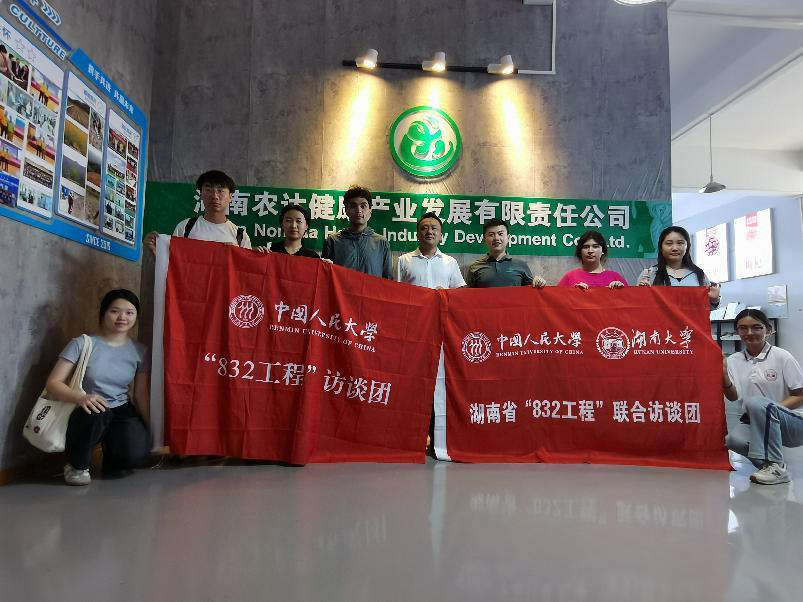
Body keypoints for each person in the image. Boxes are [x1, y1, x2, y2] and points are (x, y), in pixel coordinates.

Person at [45, 289, 151, 486]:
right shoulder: (82, 343)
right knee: (97, 413)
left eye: (129, 312)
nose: (122, 317)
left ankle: (114, 454)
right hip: (86, 408)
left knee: (134, 457)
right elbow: (53, 383)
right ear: (103, 313)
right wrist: (81, 397)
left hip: (120, 408)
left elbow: (141, 394)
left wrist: (150, 426)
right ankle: (76, 465)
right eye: (115, 311)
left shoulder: (139, 351)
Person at [723, 309, 803, 485]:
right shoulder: (733, 360)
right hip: (755, 422)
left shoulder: (782, 356)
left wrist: (769, 412)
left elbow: (800, 395)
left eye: (756, 327)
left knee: (756, 403)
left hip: (792, 423)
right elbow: (733, 397)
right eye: (743, 328)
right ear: (737, 331)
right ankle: (774, 467)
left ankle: (775, 466)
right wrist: (724, 375)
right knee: (733, 441)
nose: (749, 333)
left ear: (768, 329)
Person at [145, 170, 252, 254]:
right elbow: (173, 263)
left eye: (220, 191)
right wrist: (156, 251)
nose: (215, 196)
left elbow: (245, 271)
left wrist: (253, 255)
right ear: (200, 194)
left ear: (231, 196)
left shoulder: (240, 236)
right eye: (208, 190)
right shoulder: (185, 227)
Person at [637, 226, 721, 307]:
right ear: (661, 247)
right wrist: (642, 295)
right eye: (669, 243)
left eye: (680, 243)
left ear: (687, 246)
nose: (675, 248)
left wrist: (714, 300)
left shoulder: (699, 275)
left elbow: (706, 310)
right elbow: (638, 308)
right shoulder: (649, 274)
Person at [322, 185, 392, 279]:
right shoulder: (333, 241)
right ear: (346, 210)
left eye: (363, 206)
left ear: (370, 210)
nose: (359, 210)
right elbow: (324, 277)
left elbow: (387, 280)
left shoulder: (381, 242)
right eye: (353, 206)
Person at [466, 219, 546, 288]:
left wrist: (538, 282)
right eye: (491, 235)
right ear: (484, 239)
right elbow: (469, 296)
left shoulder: (521, 265)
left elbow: (531, 292)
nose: (496, 238)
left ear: (508, 238)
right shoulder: (475, 267)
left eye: (500, 234)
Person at [396, 212, 465, 289]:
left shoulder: (451, 262)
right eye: (424, 228)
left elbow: (458, 292)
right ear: (417, 235)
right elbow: (396, 291)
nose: (429, 232)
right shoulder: (403, 260)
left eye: (434, 228)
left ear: (441, 236)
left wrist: (445, 293)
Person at [558, 230, 627, 289]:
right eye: (586, 247)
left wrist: (621, 292)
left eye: (595, 246)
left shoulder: (615, 277)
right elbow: (556, 298)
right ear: (580, 251)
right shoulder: (570, 277)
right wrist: (572, 293)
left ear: (603, 250)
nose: (590, 251)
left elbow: (630, 299)